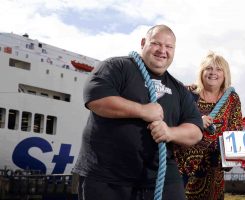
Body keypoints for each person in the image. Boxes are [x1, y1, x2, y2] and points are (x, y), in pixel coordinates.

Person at [72, 24, 203, 200]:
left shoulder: (179, 89)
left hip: (161, 179)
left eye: (169, 46)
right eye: (156, 43)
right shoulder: (116, 66)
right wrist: (142, 110)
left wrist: (170, 132)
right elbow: (96, 99)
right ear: (143, 43)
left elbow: (195, 131)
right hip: (107, 177)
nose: (162, 50)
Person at [174, 51, 243, 200]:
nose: (213, 73)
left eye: (219, 69)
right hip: (182, 167)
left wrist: (244, 157)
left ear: (225, 74)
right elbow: (172, 121)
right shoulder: (186, 93)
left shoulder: (232, 99)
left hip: (214, 169)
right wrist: (197, 120)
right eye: (208, 68)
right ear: (201, 72)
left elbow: (236, 130)